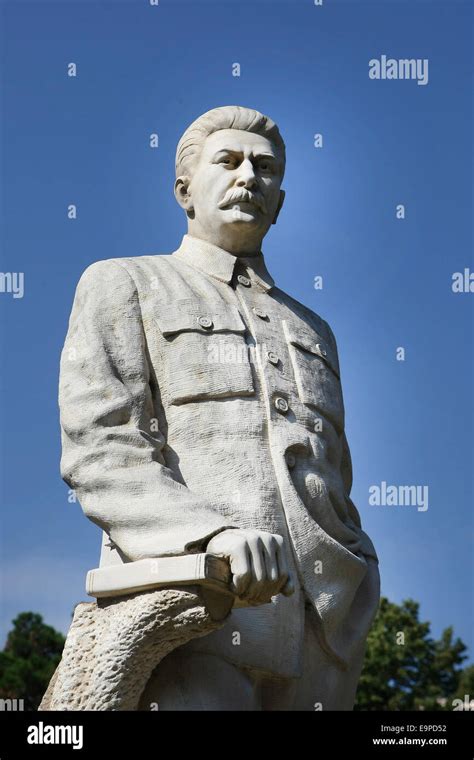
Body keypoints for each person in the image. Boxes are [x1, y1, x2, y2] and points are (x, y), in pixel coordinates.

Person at [59, 105, 380, 710]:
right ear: (184, 189)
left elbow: (335, 473)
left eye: (265, 168)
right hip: (199, 607)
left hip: (326, 629)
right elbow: (102, 449)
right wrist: (207, 536)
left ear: (280, 201)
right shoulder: (125, 283)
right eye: (228, 161)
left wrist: (361, 570)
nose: (248, 177)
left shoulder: (315, 330)